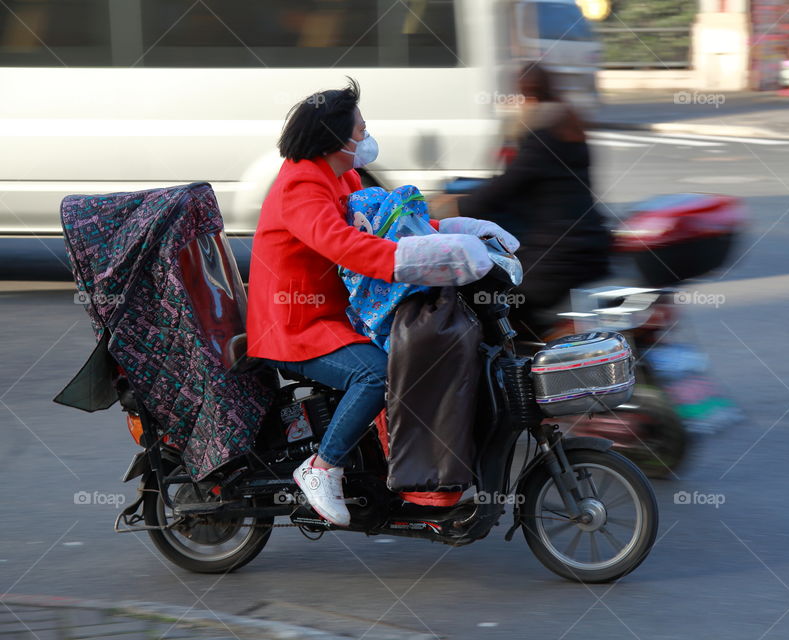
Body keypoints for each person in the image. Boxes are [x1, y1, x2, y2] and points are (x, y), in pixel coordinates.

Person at [246, 80, 516, 526]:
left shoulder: (343, 175)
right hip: (296, 326)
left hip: (334, 314)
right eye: (359, 131)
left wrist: (454, 230)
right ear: (334, 138)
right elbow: (345, 246)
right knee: (377, 374)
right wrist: (413, 259)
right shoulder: (301, 185)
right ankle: (320, 468)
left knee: (415, 361)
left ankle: (413, 483)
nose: (365, 138)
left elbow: (391, 222)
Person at [433, 62, 611, 338]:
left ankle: (541, 355)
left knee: (490, 297)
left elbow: (507, 186)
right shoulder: (569, 125)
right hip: (586, 242)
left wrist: (451, 207)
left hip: (559, 254)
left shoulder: (542, 135)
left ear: (524, 95)